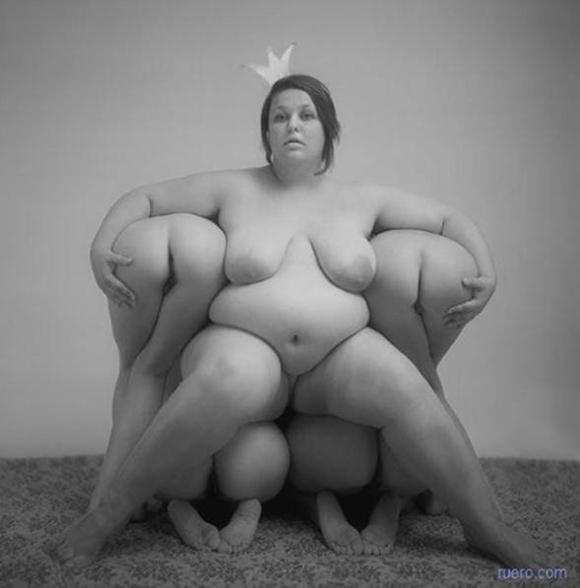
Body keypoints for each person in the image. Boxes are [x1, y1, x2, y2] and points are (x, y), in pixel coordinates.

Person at [57, 73, 542, 568]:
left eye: (307, 115)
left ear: (328, 131)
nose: (293, 125)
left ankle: (486, 525)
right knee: (228, 377)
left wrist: (488, 273)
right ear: (266, 133)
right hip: (245, 344)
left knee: (401, 380)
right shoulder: (233, 187)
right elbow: (144, 198)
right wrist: (101, 246)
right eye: (280, 116)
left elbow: (448, 220)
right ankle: (109, 513)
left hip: (335, 358)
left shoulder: (362, 198)